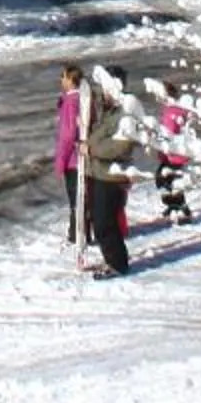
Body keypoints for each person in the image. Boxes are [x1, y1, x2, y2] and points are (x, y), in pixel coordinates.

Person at [79, 66, 149, 279]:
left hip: (112, 175)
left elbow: (122, 146)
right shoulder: (109, 109)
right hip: (99, 173)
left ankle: (117, 264)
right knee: (102, 221)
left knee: (104, 222)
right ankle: (113, 259)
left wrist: (92, 149)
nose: (103, 92)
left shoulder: (126, 112)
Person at [147, 79, 194, 224]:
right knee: (168, 180)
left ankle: (180, 209)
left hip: (174, 154)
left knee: (165, 180)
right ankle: (177, 206)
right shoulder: (174, 109)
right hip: (174, 153)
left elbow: (171, 131)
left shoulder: (173, 111)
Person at [52, 64, 86, 249]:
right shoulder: (80, 99)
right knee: (80, 196)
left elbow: (68, 134)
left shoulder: (71, 102)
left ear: (71, 80)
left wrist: (60, 161)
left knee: (75, 197)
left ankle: (76, 235)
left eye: (63, 76)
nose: (61, 80)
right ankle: (80, 232)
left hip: (73, 159)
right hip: (79, 156)